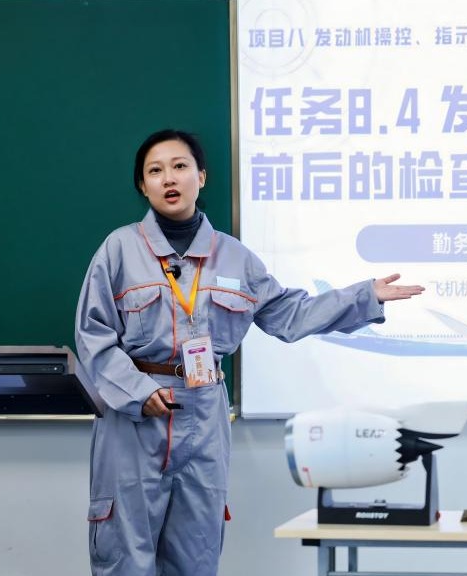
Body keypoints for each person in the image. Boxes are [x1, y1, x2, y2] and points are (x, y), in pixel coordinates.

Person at [75, 129, 423, 576]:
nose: (169, 178)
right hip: (136, 414)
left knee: (196, 552)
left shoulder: (235, 258)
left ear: (201, 176)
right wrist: (138, 392)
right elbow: (92, 336)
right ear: (143, 185)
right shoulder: (119, 250)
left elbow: (289, 314)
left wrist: (364, 296)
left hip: (204, 412)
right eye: (155, 171)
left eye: (180, 166)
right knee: (126, 551)